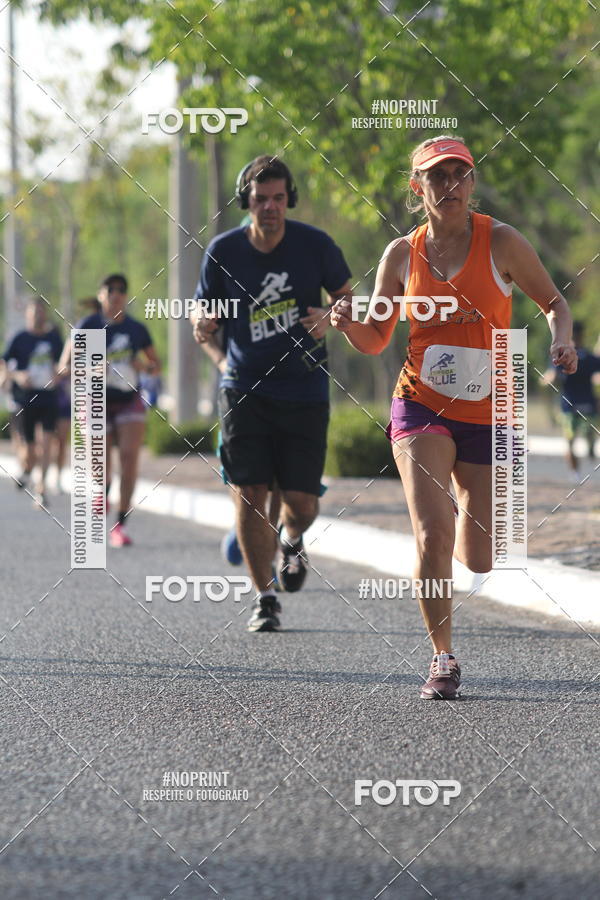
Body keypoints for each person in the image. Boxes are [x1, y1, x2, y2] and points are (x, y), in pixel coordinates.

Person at [331, 135, 577, 699]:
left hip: (489, 409)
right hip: (419, 403)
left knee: (479, 554)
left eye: (459, 175)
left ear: (471, 183)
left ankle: (470, 512)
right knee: (431, 532)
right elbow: (375, 340)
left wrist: (560, 341)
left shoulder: (503, 242)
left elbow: (554, 303)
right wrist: (347, 323)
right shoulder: (401, 255)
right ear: (417, 189)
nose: (450, 186)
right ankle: (442, 657)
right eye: (436, 177)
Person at [192, 154, 352, 632]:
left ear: (289, 200)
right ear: (247, 202)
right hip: (244, 391)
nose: (270, 208)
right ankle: (264, 598)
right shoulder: (224, 251)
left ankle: (292, 538)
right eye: (260, 200)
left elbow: (347, 297)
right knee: (249, 495)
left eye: (278, 199)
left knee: (301, 504)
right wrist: (210, 339)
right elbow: (202, 316)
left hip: (304, 388)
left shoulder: (315, 245)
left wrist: (330, 316)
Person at [59, 273, 161, 547]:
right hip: (95, 400)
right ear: (101, 294)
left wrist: (144, 367)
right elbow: (63, 367)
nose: (116, 294)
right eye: (110, 289)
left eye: (121, 290)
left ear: (126, 297)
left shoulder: (136, 329)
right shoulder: (88, 326)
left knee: (129, 459)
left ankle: (120, 525)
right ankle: (101, 491)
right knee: (101, 461)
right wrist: (89, 368)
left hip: (128, 398)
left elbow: (156, 365)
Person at [1, 296, 64, 506]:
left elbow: (64, 363)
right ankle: (27, 470)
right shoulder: (19, 339)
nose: (37, 315)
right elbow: (4, 364)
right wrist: (18, 376)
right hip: (26, 398)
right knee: (29, 451)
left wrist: (59, 373)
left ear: (45, 314)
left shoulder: (54, 339)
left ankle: (42, 488)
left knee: (46, 444)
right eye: (33, 312)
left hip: (48, 396)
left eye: (41, 311)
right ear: (27, 314)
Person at [541, 320, 600, 479]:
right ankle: (575, 473)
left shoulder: (588, 356)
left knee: (588, 437)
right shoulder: (563, 355)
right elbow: (551, 375)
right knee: (570, 440)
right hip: (570, 405)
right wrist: (547, 380)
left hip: (587, 404)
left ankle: (590, 448)